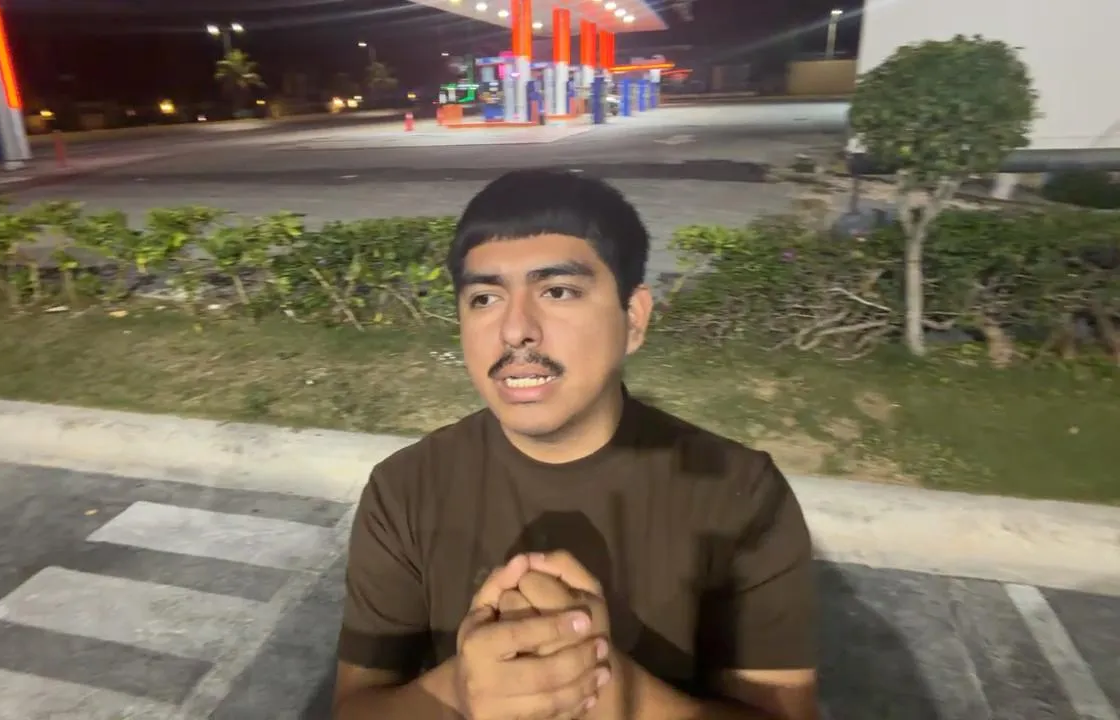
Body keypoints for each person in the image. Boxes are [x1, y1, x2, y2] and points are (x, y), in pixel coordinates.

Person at [332, 169, 819, 720]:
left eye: (557, 291)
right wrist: (459, 690)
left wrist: (619, 693)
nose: (515, 329)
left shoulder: (740, 495)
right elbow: (354, 708)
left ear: (633, 319)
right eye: (485, 298)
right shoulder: (405, 489)